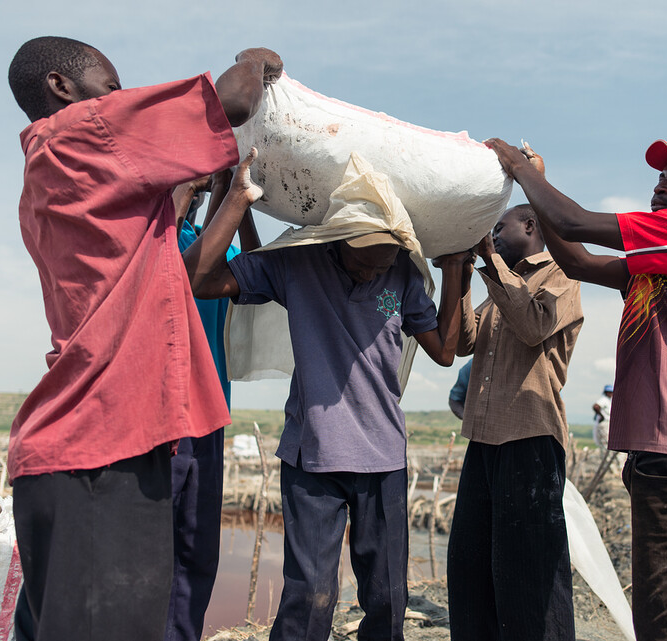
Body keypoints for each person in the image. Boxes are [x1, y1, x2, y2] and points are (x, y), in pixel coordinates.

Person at [6, 36, 281, 641]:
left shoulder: (54, 174)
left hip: (96, 448)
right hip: (100, 452)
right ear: (61, 88)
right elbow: (234, 97)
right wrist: (258, 60)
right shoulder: (81, 134)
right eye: (112, 88)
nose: (122, 99)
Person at [183, 163, 472, 641]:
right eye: (364, 261)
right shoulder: (298, 263)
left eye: (382, 263)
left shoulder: (400, 273)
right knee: (310, 595)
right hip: (312, 455)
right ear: (338, 239)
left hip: (383, 457)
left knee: (386, 597)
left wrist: (457, 271)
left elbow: (443, 350)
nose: (372, 271)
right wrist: (233, 197)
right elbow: (198, 278)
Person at [486, 135, 667, 640]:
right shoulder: (660, 265)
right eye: (661, 175)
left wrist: (522, 168)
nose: (662, 183)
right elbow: (580, 261)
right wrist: (541, 192)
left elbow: (574, 222)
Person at [447, 205, 583, 640]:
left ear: (529, 226)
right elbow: (465, 342)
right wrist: (462, 275)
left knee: (530, 569)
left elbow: (531, 325)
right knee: (471, 564)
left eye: (498, 227)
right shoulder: (497, 285)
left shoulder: (560, 274)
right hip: (484, 440)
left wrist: (490, 260)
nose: (493, 234)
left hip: (531, 440)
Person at [167, 173, 261, 641]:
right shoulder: (155, 237)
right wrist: (189, 183)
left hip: (210, 413)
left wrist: (230, 187)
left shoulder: (212, 251)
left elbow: (256, 261)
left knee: (197, 549)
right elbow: (178, 252)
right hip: (163, 415)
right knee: (153, 544)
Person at [593, 384, 614, 449]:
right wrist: (602, 416)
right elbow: (596, 406)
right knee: (605, 442)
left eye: (611, 392)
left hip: (606, 423)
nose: (610, 394)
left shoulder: (608, 400)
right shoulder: (604, 399)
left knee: (606, 442)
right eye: (609, 392)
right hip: (604, 423)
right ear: (606, 392)